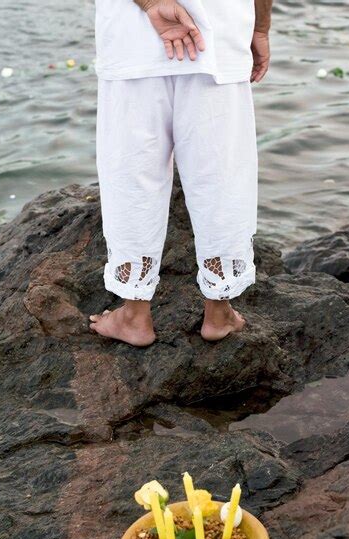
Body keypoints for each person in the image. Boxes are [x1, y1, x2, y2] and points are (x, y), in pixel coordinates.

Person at [90, 0, 272, 346]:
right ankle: (219, 311)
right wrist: (260, 26)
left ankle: (134, 314)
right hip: (219, 36)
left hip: (132, 41)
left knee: (132, 178)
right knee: (222, 177)